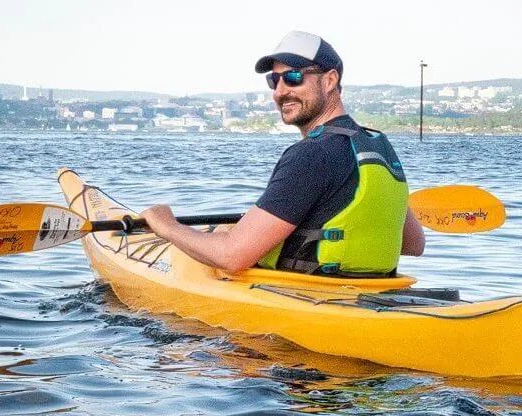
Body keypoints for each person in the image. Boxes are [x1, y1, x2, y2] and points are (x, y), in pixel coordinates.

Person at [142, 31, 424, 276]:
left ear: (329, 80)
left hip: (311, 300)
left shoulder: (312, 154)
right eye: (273, 80)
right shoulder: (376, 144)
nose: (280, 91)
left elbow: (231, 256)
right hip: (367, 296)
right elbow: (413, 244)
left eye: (293, 77)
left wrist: (168, 226)